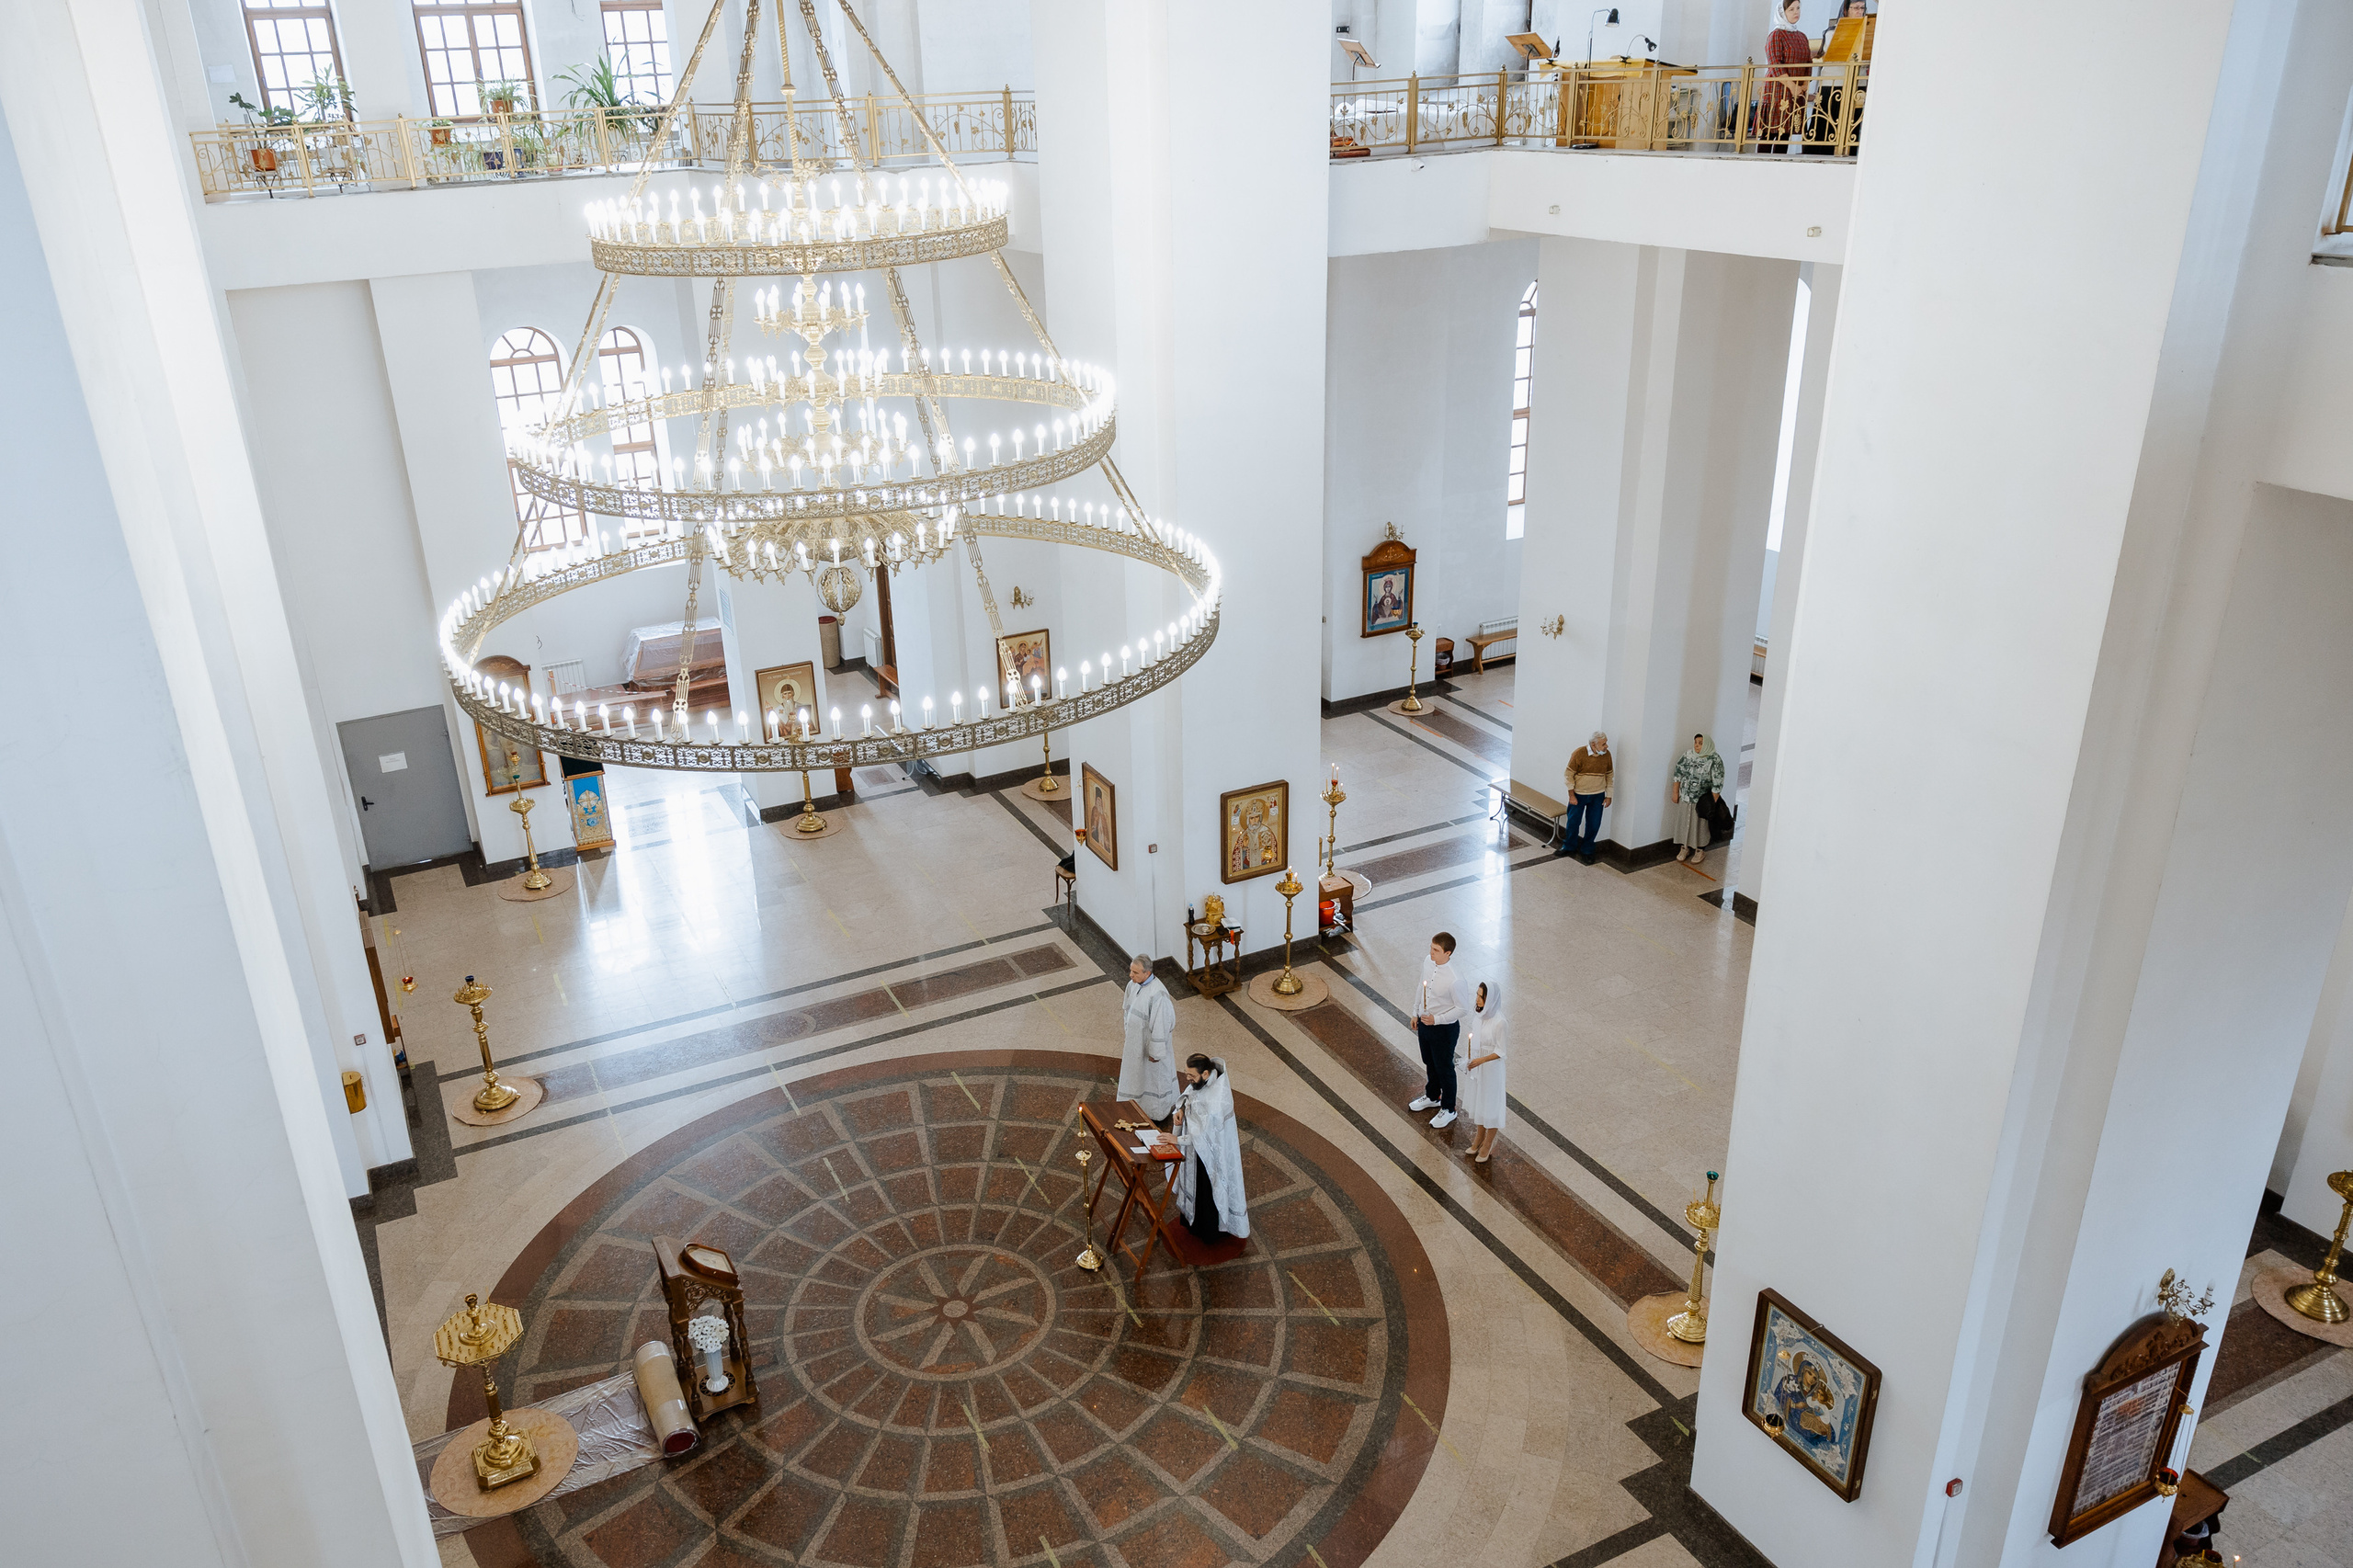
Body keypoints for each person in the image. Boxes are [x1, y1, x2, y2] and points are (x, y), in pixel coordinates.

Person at [1171, 1054, 1249, 1243]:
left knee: (1207, 1190)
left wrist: (1176, 1138)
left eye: (1191, 1075)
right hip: (1196, 1152)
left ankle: (1209, 1232)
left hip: (1211, 1156)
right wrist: (1180, 1110)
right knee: (1195, 1186)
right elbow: (1188, 1096)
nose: (1188, 1079)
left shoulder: (1216, 1100)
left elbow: (1205, 1138)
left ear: (1205, 1073)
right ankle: (1192, 1223)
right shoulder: (1202, 1083)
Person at [1408, 932, 1464, 1129]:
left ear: (1448, 953)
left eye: (1436, 950)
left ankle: (1449, 1109)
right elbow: (1421, 987)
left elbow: (1461, 1009)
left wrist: (1437, 1019)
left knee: (1445, 1068)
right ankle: (1433, 1096)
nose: (1430, 953)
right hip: (1425, 1023)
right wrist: (1416, 1013)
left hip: (1444, 1029)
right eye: (1431, 948)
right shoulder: (1427, 962)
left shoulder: (1455, 979)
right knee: (1429, 1061)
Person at [1120, 953, 1178, 1120]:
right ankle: (1135, 1106)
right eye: (1131, 971)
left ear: (1147, 973)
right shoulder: (1132, 985)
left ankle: (1155, 1112)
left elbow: (1161, 1025)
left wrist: (1156, 1052)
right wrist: (1129, 1032)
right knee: (1136, 1075)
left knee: (1153, 1078)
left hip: (1150, 1047)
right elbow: (1127, 1010)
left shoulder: (1158, 994)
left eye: (1135, 972)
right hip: (1135, 1042)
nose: (1131, 975)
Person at [1808, 0, 1870, 153]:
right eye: (1855, 8)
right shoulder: (1832, 32)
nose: (1859, 12)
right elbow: (1836, 54)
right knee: (1827, 129)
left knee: (1851, 128)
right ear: (1846, 11)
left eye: (1862, 8)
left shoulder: (1868, 32)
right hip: (1833, 86)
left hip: (1856, 85)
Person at [1756, 0, 1812, 153]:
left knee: (1785, 134)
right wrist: (1792, 86)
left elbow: (1808, 62)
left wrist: (1805, 85)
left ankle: (1778, 166)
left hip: (1796, 92)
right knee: (1770, 133)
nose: (1796, 12)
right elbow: (1775, 64)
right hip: (1777, 90)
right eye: (1791, 9)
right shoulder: (1776, 35)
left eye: (1798, 8)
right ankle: (1761, 167)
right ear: (1782, 13)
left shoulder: (1802, 36)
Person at [1461, 980, 1506, 1164]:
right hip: (1479, 1067)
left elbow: (1501, 1051)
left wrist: (1481, 1060)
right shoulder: (1479, 1017)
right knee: (1480, 1102)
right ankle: (1478, 1138)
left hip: (1492, 1069)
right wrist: (1469, 1059)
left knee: (1491, 1105)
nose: (1477, 1000)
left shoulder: (1500, 1022)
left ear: (1490, 999)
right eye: (1478, 995)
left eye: (1481, 997)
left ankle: (1487, 1143)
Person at [1669, 733, 1727, 864]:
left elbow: (1718, 783)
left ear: (1707, 744)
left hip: (1702, 800)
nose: (1697, 745)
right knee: (1685, 822)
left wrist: (1712, 803)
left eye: (1701, 743)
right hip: (1686, 797)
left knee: (1700, 825)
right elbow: (1678, 772)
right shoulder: (1688, 755)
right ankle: (1684, 847)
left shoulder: (1714, 759)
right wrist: (1675, 792)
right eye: (1696, 742)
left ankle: (1700, 850)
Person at [1556, 732, 1614, 864]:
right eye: (1603, 744)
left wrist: (1609, 795)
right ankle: (1569, 846)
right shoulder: (1579, 753)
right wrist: (1571, 795)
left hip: (1598, 795)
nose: (1607, 746)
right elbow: (1568, 775)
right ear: (1593, 744)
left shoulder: (1607, 755)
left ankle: (1587, 850)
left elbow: (1610, 776)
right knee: (1573, 822)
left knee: (1594, 824)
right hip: (1579, 794)